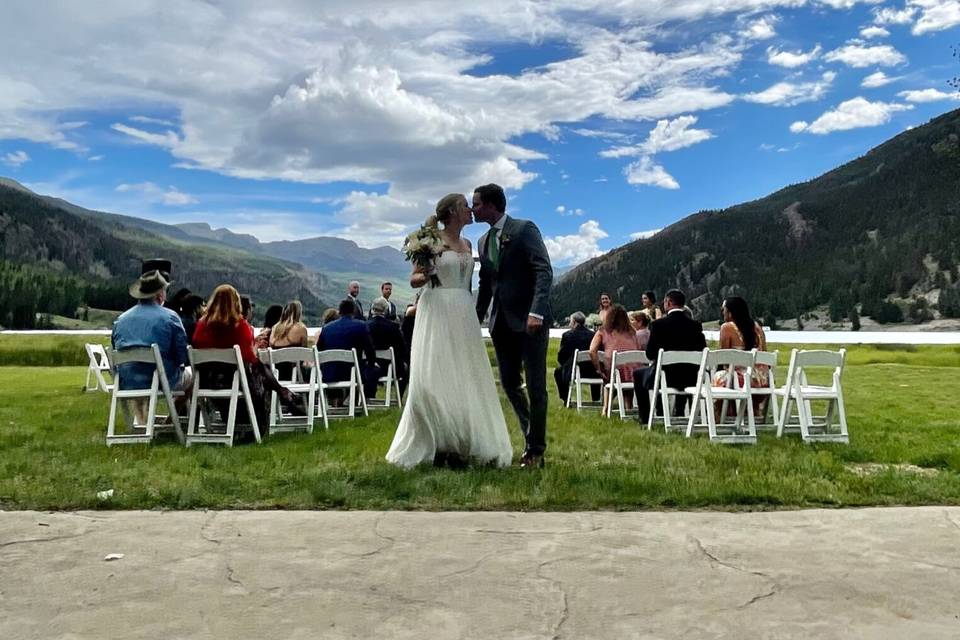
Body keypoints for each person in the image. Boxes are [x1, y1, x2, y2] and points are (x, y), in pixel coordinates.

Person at [387, 193, 514, 469]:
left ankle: (463, 441)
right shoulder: (431, 241)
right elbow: (414, 279)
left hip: (463, 310)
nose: (470, 210)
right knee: (437, 370)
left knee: (464, 373)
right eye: (465, 206)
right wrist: (430, 270)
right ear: (453, 212)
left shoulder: (468, 243)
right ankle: (437, 439)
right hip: (437, 307)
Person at [474, 183, 553, 468]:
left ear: (493, 205)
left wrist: (537, 312)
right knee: (509, 382)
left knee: (535, 385)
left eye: (477, 204)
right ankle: (530, 434)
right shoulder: (483, 242)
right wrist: (475, 318)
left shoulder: (524, 229)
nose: (473, 209)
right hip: (500, 323)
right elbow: (485, 284)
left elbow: (543, 271)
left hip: (530, 321)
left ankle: (536, 450)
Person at [192, 284, 297, 436]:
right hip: (235, 380)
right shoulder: (239, 325)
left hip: (207, 380)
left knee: (260, 370)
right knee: (261, 371)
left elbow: (196, 345)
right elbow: (249, 358)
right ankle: (282, 395)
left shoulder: (201, 326)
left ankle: (283, 393)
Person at [111, 270, 191, 424]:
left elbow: (115, 350)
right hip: (162, 380)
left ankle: (142, 423)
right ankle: (172, 421)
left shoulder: (121, 320)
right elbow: (182, 355)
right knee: (194, 377)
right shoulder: (170, 317)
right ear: (160, 294)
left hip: (126, 381)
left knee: (136, 368)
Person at [632, 289, 707, 422]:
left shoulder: (658, 325)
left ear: (669, 302)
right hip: (692, 377)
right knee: (683, 367)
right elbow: (703, 351)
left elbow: (650, 354)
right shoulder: (695, 325)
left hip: (665, 377)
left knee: (638, 374)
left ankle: (645, 418)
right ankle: (680, 413)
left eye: (665, 302)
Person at [315, 299, 380, 401]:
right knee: (373, 370)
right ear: (353, 311)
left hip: (329, 373)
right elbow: (370, 351)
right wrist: (371, 364)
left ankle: (336, 400)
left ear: (339, 311)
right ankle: (364, 399)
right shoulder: (361, 326)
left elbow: (319, 352)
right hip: (352, 374)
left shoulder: (326, 328)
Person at [717, 296, 769, 413]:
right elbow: (764, 353)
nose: (722, 313)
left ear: (730, 312)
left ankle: (722, 415)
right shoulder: (757, 328)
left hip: (742, 380)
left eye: (723, 310)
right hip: (763, 380)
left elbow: (722, 357)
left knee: (717, 377)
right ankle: (748, 412)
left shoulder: (727, 327)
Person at [589, 304, 641, 415]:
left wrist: (598, 368)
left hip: (613, 371)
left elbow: (592, 350)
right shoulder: (633, 332)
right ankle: (628, 409)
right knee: (626, 371)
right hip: (633, 373)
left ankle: (606, 409)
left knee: (609, 377)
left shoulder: (603, 331)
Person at [554, 311, 599, 404]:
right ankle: (596, 398)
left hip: (574, 371)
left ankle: (566, 399)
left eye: (570, 322)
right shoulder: (593, 335)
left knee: (558, 372)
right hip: (593, 371)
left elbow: (562, 356)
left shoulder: (567, 335)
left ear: (574, 322)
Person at [368, 296, 408, 395]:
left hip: (368, 366)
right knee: (406, 370)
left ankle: (369, 395)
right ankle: (398, 396)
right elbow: (402, 349)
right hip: (389, 367)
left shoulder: (365, 326)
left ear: (372, 309)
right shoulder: (393, 327)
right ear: (385, 310)